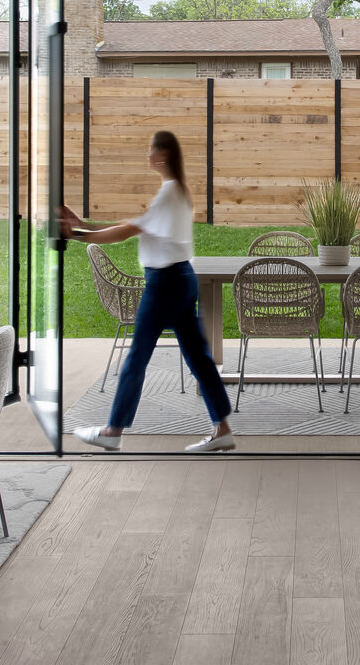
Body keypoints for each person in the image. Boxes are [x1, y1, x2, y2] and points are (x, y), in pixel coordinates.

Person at [60, 130, 236, 453]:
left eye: (150, 150)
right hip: (183, 279)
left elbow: (127, 231)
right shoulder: (179, 192)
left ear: (163, 155)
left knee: (138, 356)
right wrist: (85, 226)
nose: (147, 155)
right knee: (199, 357)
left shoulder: (169, 194)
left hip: (165, 284)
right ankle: (222, 428)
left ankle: (113, 430)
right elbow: (135, 227)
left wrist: (80, 234)